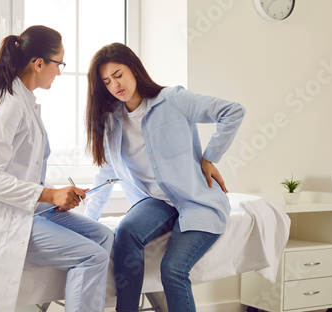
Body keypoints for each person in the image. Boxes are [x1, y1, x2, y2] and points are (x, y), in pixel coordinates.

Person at [0, 25, 114, 312]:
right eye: (59, 63)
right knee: (93, 256)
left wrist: (58, 195)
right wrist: (50, 195)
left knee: (104, 235)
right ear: (39, 64)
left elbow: (23, 168)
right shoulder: (8, 104)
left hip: (20, 205)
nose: (60, 72)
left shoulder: (22, 99)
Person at [83, 42, 245, 312]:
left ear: (134, 68)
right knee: (126, 231)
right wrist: (89, 222)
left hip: (196, 201)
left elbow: (233, 111)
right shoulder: (113, 121)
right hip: (154, 202)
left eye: (119, 74)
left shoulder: (173, 99)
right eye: (107, 81)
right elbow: (106, 173)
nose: (115, 85)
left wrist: (209, 157)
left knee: (173, 270)